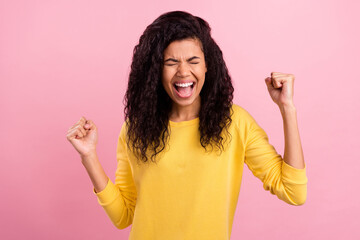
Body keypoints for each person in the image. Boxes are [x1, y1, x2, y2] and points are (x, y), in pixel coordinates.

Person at [66, 11, 307, 240]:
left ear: (206, 65)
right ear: (156, 70)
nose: (183, 72)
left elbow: (294, 192)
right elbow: (123, 216)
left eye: (193, 61)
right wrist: (89, 156)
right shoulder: (135, 128)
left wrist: (287, 108)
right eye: (171, 62)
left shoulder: (235, 122)